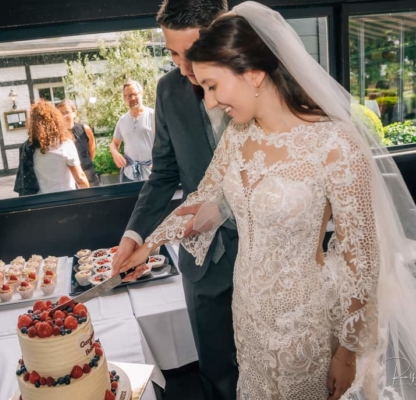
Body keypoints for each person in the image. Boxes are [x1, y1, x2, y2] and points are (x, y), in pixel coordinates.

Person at [120, 2, 416, 400]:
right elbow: (204, 199)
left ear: (254, 73)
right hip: (248, 312)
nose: (208, 102)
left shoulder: (335, 144)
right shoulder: (239, 136)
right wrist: (148, 246)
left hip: (302, 319)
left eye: (212, 86)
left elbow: (360, 258)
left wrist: (347, 352)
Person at [111, 2, 239, 399]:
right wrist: (137, 234)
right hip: (202, 264)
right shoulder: (168, 90)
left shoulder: (260, 82)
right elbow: (164, 172)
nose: (184, 68)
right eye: (173, 54)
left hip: (270, 254)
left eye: (193, 52)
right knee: (217, 372)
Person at [22, 100, 89, 194]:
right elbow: (80, 178)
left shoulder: (31, 148)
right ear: (55, 120)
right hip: (65, 200)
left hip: (42, 201)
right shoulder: (65, 144)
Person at [109, 80, 155, 182]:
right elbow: (114, 143)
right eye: (128, 96)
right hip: (129, 174)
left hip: (153, 173)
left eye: (134, 94)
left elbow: (168, 141)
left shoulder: (154, 115)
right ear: (124, 98)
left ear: (141, 94)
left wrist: (160, 161)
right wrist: (115, 154)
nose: (132, 98)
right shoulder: (122, 120)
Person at [56, 99, 101, 187]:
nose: (64, 116)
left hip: (88, 173)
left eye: (66, 112)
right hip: (69, 176)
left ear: (74, 113)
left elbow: (91, 151)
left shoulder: (85, 129)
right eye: (61, 113)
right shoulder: (58, 135)